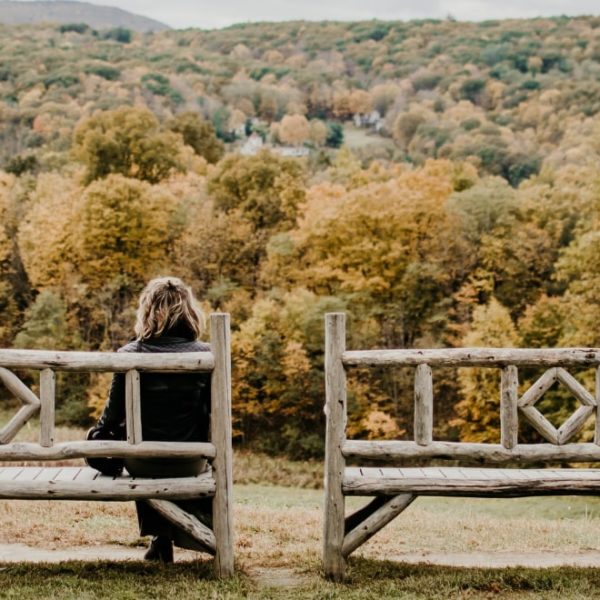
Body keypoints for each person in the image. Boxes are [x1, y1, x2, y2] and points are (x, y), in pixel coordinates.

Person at [94, 276, 212, 562]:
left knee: (111, 440)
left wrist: (96, 436)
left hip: (140, 460)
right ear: (189, 311)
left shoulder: (129, 354)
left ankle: (160, 539)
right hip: (192, 460)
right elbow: (211, 415)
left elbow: (111, 418)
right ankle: (171, 537)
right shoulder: (209, 354)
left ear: (147, 311)